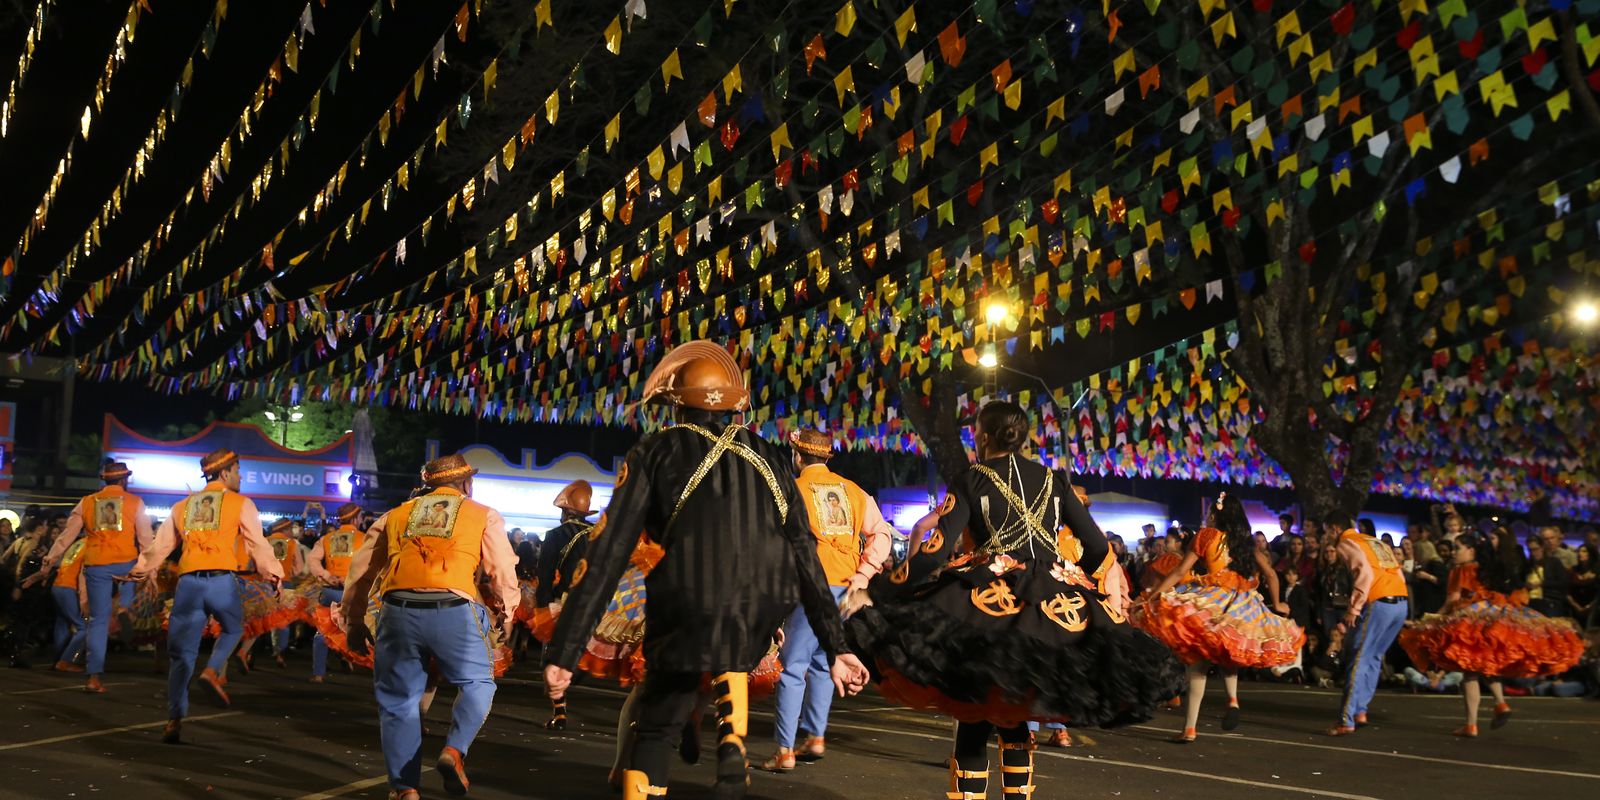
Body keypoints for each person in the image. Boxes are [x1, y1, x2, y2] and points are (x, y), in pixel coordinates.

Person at [541, 341, 869, 800]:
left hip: (687, 599)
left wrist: (566, 647)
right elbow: (805, 556)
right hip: (761, 606)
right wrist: (837, 647)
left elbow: (609, 550)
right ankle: (731, 738)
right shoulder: (772, 457)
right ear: (736, 405)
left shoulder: (655, 451)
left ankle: (677, 755)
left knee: (656, 724)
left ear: (675, 402)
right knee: (729, 649)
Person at [850, 401, 1181, 799]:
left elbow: (936, 552)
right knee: (1016, 707)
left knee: (974, 707)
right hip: (1053, 603)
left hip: (986, 602)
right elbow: (1095, 546)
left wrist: (880, 589)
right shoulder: (1054, 480)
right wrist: (1084, 584)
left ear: (983, 436)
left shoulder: (971, 477)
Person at [340, 454, 520, 800]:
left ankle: (405, 789)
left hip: (396, 611)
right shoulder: (482, 513)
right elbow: (501, 568)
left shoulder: (396, 514)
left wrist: (353, 618)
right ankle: (454, 750)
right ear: (466, 484)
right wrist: (507, 612)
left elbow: (361, 571)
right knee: (478, 682)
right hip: (453, 608)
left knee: (398, 703)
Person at [127, 449, 283, 744]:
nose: (240, 476)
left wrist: (139, 570)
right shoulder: (241, 503)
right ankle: (212, 671)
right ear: (225, 473)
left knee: (181, 656)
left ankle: (173, 720)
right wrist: (273, 574)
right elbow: (257, 545)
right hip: (220, 580)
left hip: (188, 583)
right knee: (234, 627)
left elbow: (160, 547)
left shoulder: (181, 506)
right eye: (238, 470)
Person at [760, 428, 893, 773]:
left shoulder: (793, 490)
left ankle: (785, 750)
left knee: (792, 667)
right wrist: (863, 575)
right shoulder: (854, 491)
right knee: (824, 660)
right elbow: (882, 533)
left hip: (809, 588)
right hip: (846, 590)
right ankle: (815, 737)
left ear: (797, 456)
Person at [1139, 493, 1301, 742]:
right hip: (1242, 602)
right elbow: (1270, 573)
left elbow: (1181, 570)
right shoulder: (1245, 541)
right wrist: (1278, 603)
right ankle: (1233, 700)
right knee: (1230, 650)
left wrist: (1154, 596)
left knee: (1197, 663)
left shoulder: (1207, 535)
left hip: (1211, 599)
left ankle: (1190, 728)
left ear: (1214, 514)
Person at [1400, 531, 1585, 737]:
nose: (1453, 553)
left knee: (1469, 672)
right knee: (1485, 665)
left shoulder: (1460, 570)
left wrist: (1433, 618)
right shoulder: (1485, 568)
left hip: (1469, 621)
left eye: (1458, 548)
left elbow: (1452, 599)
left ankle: (1472, 724)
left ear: (1471, 550)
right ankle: (1500, 703)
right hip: (1492, 619)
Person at [22, 462, 154, 691]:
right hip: (125, 562)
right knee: (133, 576)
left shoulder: (87, 502)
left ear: (105, 480)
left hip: (96, 565)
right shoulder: (136, 503)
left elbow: (66, 536)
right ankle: (124, 606)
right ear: (124, 480)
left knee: (97, 622)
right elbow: (146, 540)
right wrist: (150, 569)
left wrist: (47, 563)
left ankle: (93, 677)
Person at [1326, 527, 1410, 736]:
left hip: (1378, 600)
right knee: (1374, 656)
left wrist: (1354, 608)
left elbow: (1364, 572)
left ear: (1334, 529)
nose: (1327, 538)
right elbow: (1397, 571)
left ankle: (1346, 718)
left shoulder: (1347, 541)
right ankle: (1361, 710)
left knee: (1359, 657)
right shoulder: (1375, 542)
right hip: (1400, 600)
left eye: (1327, 532)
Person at [531, 479, 597, 730]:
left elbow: (545, 575)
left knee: (553, 657)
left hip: (563, 603)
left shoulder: (555, 536)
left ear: (565, 511)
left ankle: (559, 711)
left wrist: (541, 608)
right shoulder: (599, 533)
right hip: (594, 604)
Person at [306, 503, 367, 683]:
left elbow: (312, 560)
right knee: (354, 628)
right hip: (353, 593)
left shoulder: (327, 538)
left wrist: (327, 575)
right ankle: (349, 658)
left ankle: (318, 674)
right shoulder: (364, 538)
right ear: (356, 518)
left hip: (329, 590)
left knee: (323, 631)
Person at [49, 538, 91, 672]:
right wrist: (84, 600)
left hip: (57, 585)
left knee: (62, 624)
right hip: (69, 588)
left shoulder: (79, 542)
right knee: (83, 628)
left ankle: (58, 659)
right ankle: (65, 661)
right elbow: (83, 574)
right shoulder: (93, 545)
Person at [1526, 535, 1571, 620]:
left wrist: (1542, 584)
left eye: (1535, 549)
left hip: (1550, 602)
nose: (1533, 553)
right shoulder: (1529, 565)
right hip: (1532, 602)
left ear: (1542, 548)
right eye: (1530, 550)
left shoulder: (1554, 562)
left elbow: (1564, 583)